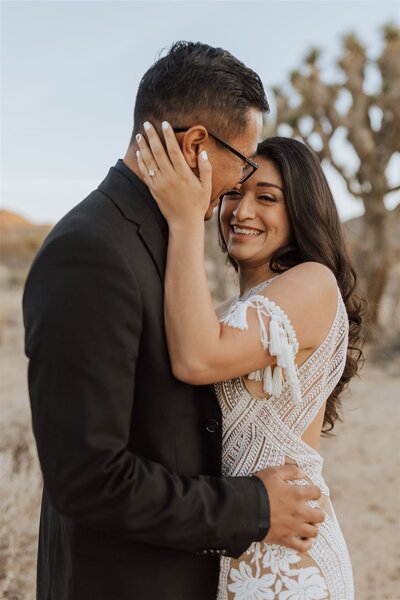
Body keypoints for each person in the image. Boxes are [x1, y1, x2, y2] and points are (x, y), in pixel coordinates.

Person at [23, 42, 325, 600]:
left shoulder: (159, 239)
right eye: (244, 164)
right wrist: (253, 507)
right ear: (197, 146)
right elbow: (89, 478)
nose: (238, 188)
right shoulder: (91, 251)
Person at [135, 127, 364, 599]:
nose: (242, 211)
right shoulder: (218, 317)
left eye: (267, 197)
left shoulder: (314, 283)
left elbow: (197, 358)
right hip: (226, 545)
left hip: (287, 567)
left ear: (300, 209)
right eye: (234, 193)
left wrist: (183, 221)